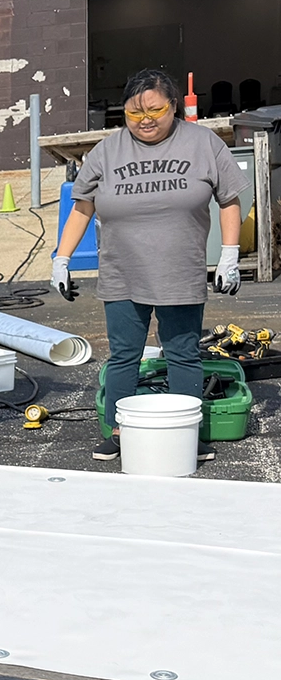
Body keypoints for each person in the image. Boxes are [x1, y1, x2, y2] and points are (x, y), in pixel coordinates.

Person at [51, 67, 245, 462]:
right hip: (123, 270)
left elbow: (229, 200)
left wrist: (230, 254)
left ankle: (185, 432)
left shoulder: (203, 143)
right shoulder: (108, 150)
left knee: (182, 354)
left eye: (155, 111)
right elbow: (82, 208)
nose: (146, 121)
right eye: (134, 114)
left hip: (179, 270)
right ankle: (121, 432)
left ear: (173, 106)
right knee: (124, 355)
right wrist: (61, 259)